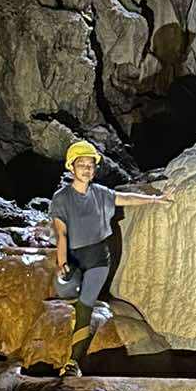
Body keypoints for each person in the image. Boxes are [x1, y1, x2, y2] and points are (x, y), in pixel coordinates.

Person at [48, 139, 169, 375]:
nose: (87, 169)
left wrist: (156, 200)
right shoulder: (62, 198)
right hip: (74, 256)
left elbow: (126, 199)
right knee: (69, 295)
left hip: (99, 258)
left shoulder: (101, 193)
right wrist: (62, 261)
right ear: (71, 167)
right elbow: (61, 232)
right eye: (82, 164)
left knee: (85, 307)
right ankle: (74, 320)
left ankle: (73, 362)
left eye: (91, 165)